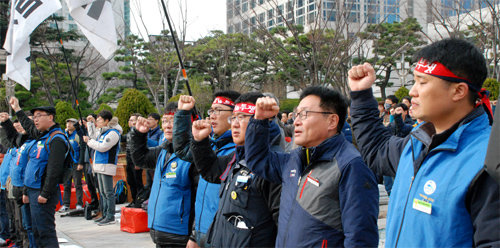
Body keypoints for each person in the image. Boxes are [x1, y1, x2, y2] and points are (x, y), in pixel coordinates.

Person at [349, 38, 499, 247]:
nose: (412, 92)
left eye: (423, 82)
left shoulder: (488, 161)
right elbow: (377, 148)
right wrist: (361, 95)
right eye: (414, 81)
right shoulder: (418, 142)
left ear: (459, 91)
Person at [244, 86, 379, 247]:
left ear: (332, 121)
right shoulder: (295, 159)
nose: (296, 121)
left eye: (305, 114)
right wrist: (259, 121)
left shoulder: (350, 166)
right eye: (296, 114)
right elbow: (258, 161)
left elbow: (360, 238)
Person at [186, 93, 281, 247]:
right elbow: (211, 171)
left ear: (262, 118)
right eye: (234, 117)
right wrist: (200, 142)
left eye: (243, 117)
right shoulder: (237, 156)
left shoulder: (274, 163)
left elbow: (283, 224)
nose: (235, 124)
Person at [173, 90, 240, 248]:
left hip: (224, 237)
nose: (212, 116)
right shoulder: (209, 146)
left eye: (218, 110)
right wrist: (183, 112)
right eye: (211, 110)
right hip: (202, 232)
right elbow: (182, 149)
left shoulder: (241, 152)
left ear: (236, 114)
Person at [130, 102, 197, 247]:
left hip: (180, 235)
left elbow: (201, 199)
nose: (167, 125)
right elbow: (141, 159)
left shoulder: (195, 155)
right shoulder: (164, 150)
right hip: (159, 231)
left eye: (173, 121)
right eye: (165, 121)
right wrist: (139, 134)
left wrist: (195, 236)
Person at [10, 96, 69, 248]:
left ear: (50, 117)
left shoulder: (57, 139)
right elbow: (29, 127)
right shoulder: (42, 136)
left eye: (38, 116)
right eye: (34, 117)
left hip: (42, 192)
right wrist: (17, 109)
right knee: (35, 231)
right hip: (31, 190)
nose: (35, 120)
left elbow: (54, 170)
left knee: (45, 232)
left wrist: (45, 193)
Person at [0, 115, 36, 248]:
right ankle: (19, 241)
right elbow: (10, 137)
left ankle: (25, 243)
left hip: (24, 187)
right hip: (12, 185)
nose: (18, 128)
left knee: (25, 221)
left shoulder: (31, 143)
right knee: (16, 218)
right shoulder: (17, 144)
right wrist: (5, 123)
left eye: (20, 126)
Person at [83, 111, 122, 226]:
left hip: (106, 165)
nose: (98, 121)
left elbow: (103, 147)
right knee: (102, 192)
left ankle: (110, 216)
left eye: (99, 119)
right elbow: (93, 136)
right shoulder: (103, 132)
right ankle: (104, 214)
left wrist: (89, 142)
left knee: (108, 192)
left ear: (106, 121)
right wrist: (90, 124)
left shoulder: (113, 133)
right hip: (99, 165)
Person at [60, 118, 84, 212]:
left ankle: (79, 204)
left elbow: (82, 148)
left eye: (71, 122)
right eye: (67, 122)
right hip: (67, 164)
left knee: (78, 184)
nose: (68, 124)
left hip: (75, 162)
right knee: (66, 185)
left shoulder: (77, 135)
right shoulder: (64, 135)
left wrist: (80, 162)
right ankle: (66, 204)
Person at [124, 113, 144, 207]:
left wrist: (137, 162)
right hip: (129, 160)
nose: (131, 122)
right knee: (130, 181)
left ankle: (139, 201)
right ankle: (133, 199)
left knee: (138, 182)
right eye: (130, 120)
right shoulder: (129, 132)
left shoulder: (140, 132)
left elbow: (139, 148)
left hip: (136, 161)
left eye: (133, 120)